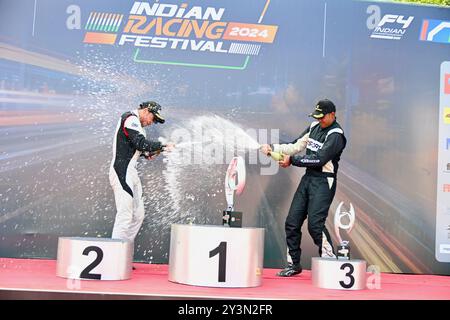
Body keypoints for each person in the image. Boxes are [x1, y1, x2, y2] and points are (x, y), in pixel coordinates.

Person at [260, 99, 347, 277]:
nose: (319, 120)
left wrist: (292, 161)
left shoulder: (336, 135)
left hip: (324, 181)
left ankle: (330, 262)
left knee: (315, 225)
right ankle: (293, 264)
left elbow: (319, 159)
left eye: (322, 117)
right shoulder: (314, 126)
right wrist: (273, 148)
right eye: (317, 116)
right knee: (292, 222)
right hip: (308, 179)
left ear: (332, 115)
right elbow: (295, 145)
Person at [109, 101, 174, 244]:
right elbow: (141, 143)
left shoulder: (137, 125)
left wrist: (153, 152)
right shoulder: (130, 118)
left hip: (130, 172)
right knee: (125, 214)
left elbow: (140, 149)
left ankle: (124, 251)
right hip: (122, 171)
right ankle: (114, 255)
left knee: (138, 215)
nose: (152, 122)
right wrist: (162, 145)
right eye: (153, 118)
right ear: (146, 111)